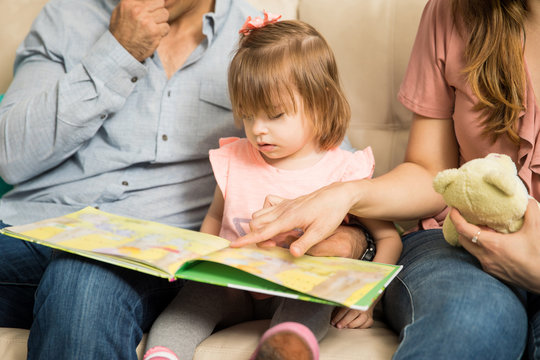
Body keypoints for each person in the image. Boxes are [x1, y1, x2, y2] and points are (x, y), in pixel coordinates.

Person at [0, 1, 369, 358]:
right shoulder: (66, 16)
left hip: (149, 257)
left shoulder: (264, 42)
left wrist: (354, 242)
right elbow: (9, 158)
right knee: (76, 277)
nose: (259, 128)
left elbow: (328, 166)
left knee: (81, 281)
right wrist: (116, 53)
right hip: (30, 229)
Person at [231, 0, 540, 358]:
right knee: (471, 319)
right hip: (456, 243)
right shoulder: (452, 11)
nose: (258, 129)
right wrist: (344, 194)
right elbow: (431, 173)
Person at [142, 15, 402, 360]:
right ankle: (164, 352)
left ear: (321, 102)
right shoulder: (234, 158)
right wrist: (200, 263)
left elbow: (388, 238)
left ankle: (283, 349)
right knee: (196, 298)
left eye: (275, 115)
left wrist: (369, 297)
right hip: (237, 289)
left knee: (311, 299)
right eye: (248, 115)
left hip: (298, 291)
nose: (258, 130)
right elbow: (214, 220)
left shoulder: (343, 170)